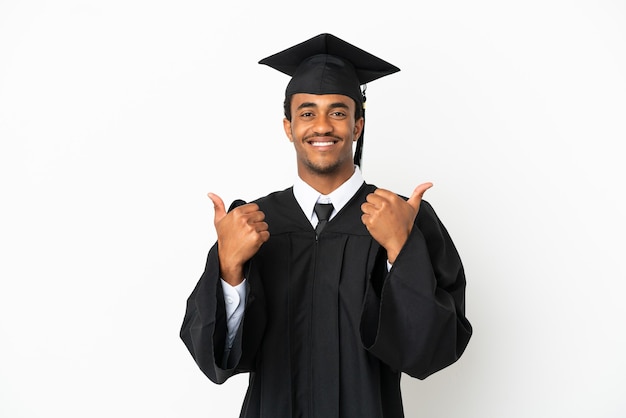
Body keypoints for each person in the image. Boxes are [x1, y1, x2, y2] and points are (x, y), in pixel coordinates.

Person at [180, 33, 472, 418]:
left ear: (357, 125)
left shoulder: (405, 219)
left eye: (337, 112)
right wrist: (230, 270)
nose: (322, 126)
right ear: (288, 127)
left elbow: (432, 352)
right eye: (307, 112)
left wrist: (401, 251)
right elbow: (212, 359)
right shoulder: (251, 222)